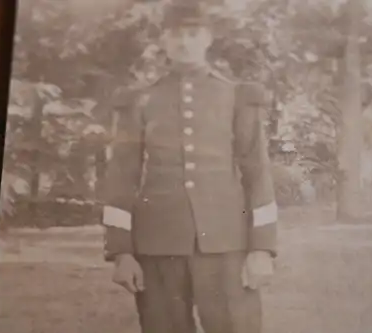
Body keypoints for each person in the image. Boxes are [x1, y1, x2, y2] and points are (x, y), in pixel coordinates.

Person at [102, 3, 278, 333]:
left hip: (227, 246)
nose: (184, 43)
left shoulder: (237, 96)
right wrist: (121, 252)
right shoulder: (139, 100)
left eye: (192, 34)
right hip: (157, 246)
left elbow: (258, 172)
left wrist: (262, 248)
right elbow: (121, 179)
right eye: (175, 35)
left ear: (207, 38)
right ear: (164, 41)